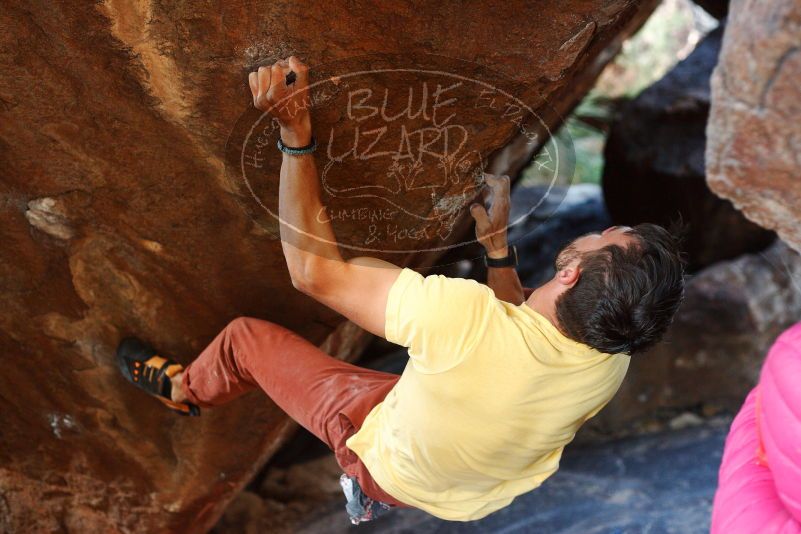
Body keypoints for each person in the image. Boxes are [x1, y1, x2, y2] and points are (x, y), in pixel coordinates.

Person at [116, 57, 686, 523]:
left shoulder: (464, 320)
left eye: (606, 235)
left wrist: (295, 132)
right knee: (411, 337)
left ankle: (184, 390)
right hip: (463, 478)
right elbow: (524, 324)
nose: (600, 228)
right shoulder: (609, 352)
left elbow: (313, 273)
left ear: (570, 274)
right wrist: (495, 249)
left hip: (389, 463)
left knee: (245, 340)